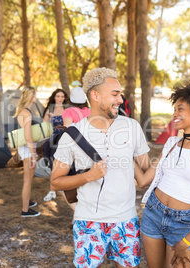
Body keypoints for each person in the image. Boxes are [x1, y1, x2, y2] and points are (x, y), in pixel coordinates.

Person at [51, 67, 150, 268]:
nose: (121, 100)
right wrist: (89, 176)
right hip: (88, 221)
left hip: (126, 220)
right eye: (115, 94)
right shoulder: (72, 135)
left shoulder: (132, 127)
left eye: (120, 94)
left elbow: (146, 168)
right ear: (95, 95)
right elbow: (55, 182)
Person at [134, 83, 190, 268]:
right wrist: (126, 156)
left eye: (180, 109)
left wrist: (187, 241)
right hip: (152, 212)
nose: (174, 114)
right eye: (174, 109)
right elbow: (144, 180)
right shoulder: (171, 143)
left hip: (182, 224)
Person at [61, 85, 91, 211]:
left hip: (75, 150)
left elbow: (68, 129)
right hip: (90, 149)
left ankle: (78, 212)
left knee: (65, 183)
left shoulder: (68, 111)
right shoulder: (90, 111)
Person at [14, 86, 41, 217]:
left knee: (28, 179)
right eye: (35, 95)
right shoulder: (27, 113)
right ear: (31, 97)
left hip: (25, 147)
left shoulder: (22, 111)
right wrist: (33, 155)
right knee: (27, 180)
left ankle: (27, 201)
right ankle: (25, 210)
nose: (37, 97)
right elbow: (28, 137)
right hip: (27, 148)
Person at [43, 88, 69, 201]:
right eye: (58, 96)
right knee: (52, 164)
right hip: (53, 139)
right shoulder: (51, 108)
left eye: (62, 97)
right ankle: (52, 190)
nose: (60, 99)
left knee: (66, 164)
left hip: (65, 139)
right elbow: (44, 124)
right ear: (54, 97)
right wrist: (49, 116)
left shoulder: (67, 109)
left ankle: (66, 187)